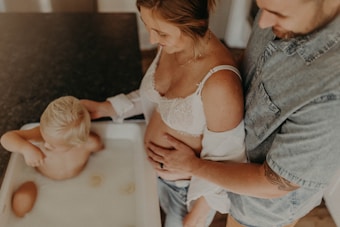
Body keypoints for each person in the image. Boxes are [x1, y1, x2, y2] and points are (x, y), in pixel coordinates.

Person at [145, 0, 340, 227]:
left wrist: (193, 167)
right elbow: (256, 75)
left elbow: (274, 183)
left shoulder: (332, 94)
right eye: (261, 7)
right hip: (225, 172)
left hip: (259, 208)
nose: (262, 22)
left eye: (278, 14)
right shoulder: (281, 9)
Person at [81, 0, 246, 226]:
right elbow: (157, 97)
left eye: (160, 32)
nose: (152, 40)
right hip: (151, 171)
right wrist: (107, 108)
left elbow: (228, 160)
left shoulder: (220, 83)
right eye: (147, 26)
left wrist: (196, 217)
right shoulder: (170, 44)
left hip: (186, 194)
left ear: (193, 23)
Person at [1, 96, 104, 181]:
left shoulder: (90, 143)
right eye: (45, 139)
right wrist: (26, 149)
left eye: (53, 145)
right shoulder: (42, 133)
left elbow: (101, 149)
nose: (46, 145)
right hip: (41, 178)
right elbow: (6, 139)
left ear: (76, 143)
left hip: (80, 177)